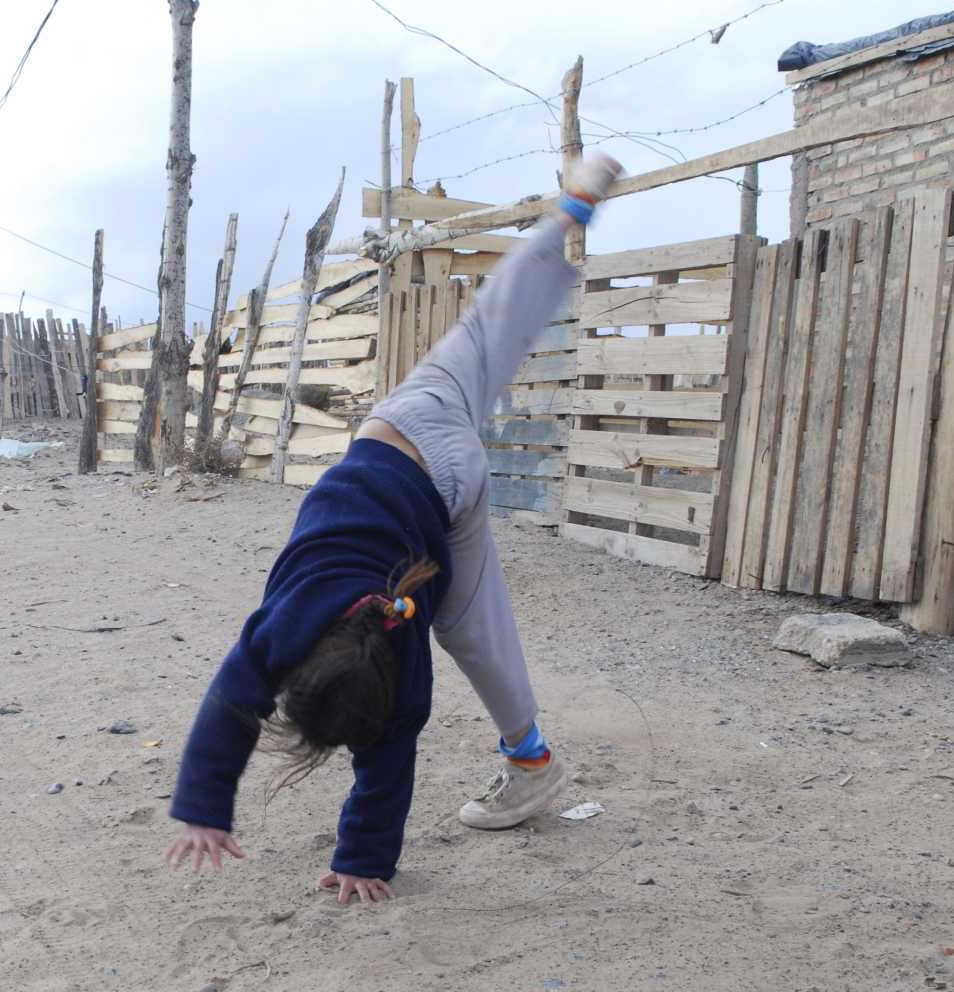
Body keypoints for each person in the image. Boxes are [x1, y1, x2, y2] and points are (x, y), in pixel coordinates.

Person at [163, 155, 623, 904]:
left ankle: (534, 765)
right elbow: (238, 701)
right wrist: (358, 857)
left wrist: (209, 813)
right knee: (490, 327)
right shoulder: (292, 629)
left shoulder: (388, 654)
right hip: (411, 427)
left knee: (476, 630)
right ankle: (567, 214)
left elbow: (371, 749)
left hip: (436, 476)